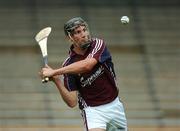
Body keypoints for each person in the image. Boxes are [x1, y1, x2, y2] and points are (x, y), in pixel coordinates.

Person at [39, 17, 127, 131]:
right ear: (70, 38)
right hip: (93, 112)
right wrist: (56, 80)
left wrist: (55, 71)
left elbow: (87, 65)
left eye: (85, 30)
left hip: (115, 106)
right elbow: (72, 102)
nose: (84, 34)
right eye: (78, 32)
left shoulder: (98, 44)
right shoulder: (68, 65)